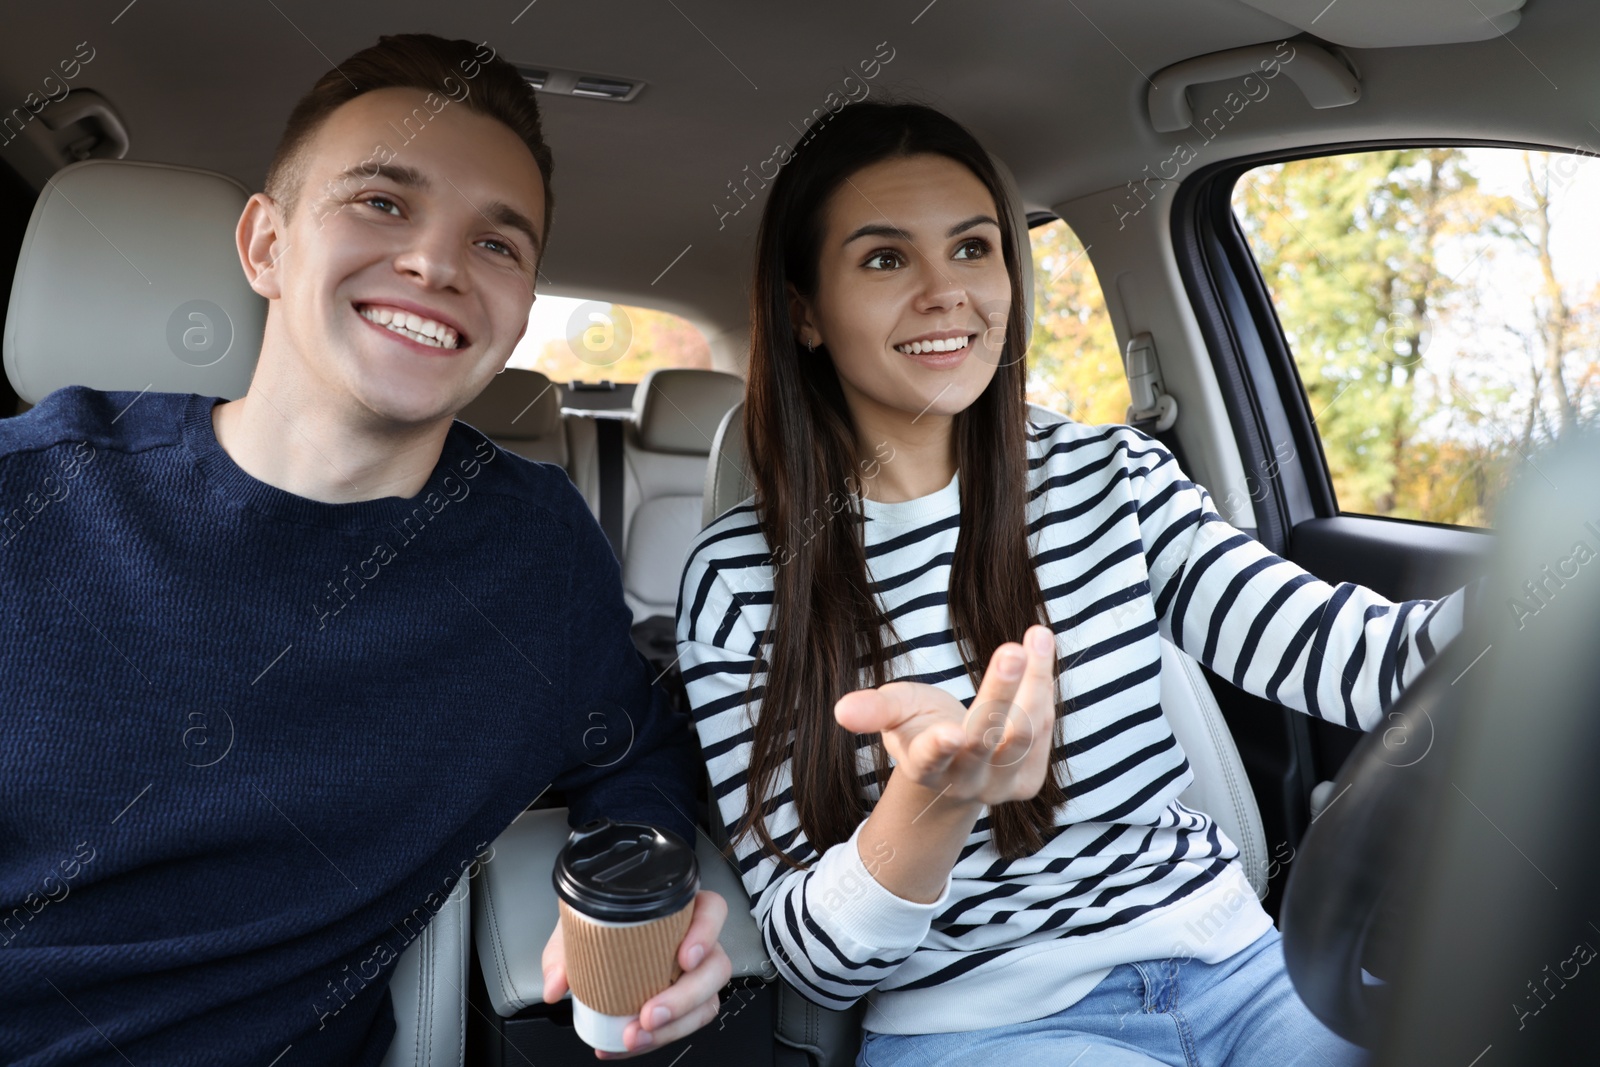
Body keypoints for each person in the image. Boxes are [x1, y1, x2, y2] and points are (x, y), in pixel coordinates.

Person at [675, 101, 1481, 1067]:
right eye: (886, 259)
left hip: (1249, 968)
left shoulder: (1113, 478)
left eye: (974, 249)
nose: (946, 292)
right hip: (988, 1027)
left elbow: (1358, 660)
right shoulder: (738, 582)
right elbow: (813, 961)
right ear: (804, 309)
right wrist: (932, 802)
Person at [0, 34, 729, 1065]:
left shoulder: (533, 555)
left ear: (520, 311)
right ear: (265, 245)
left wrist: (643, 891)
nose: (435, 261)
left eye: (498, 244)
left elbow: (635, 750)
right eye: (382, 203)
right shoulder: (28, 496)